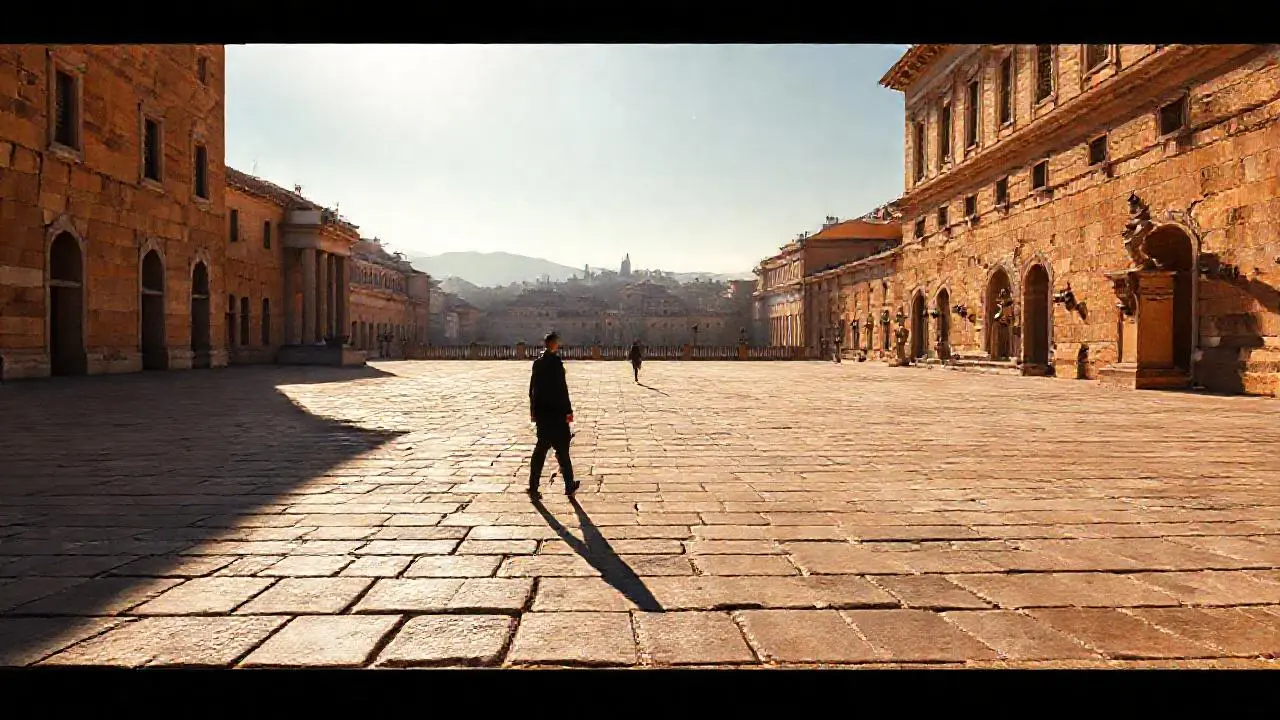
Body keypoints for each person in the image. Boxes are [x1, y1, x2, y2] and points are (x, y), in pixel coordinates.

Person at [528, 331, 578, 498]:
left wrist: (533, 412)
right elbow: (562, 392)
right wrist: (569, 414)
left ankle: (533, 485)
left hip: (542, 414)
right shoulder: (556, 364)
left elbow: (532, 390)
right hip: (557, 414)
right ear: (555, 344)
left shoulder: (537, 363)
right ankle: (569, 485)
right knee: (562, 450)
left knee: (541, 450)